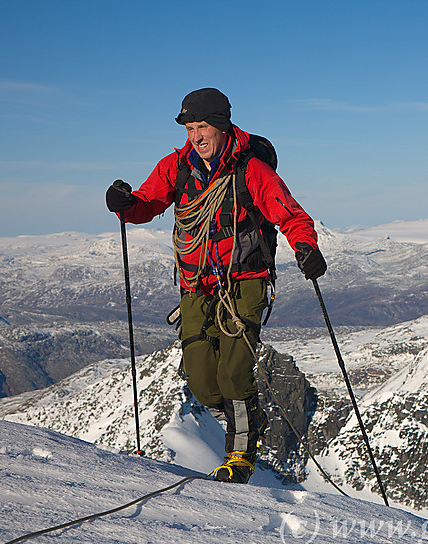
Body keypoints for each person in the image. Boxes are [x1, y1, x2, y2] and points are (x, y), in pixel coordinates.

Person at [105, 87, 326, 483]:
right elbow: (147, 204)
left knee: (234, 371)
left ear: (222, 126)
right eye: (190, 127)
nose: (195, 136)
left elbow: (290, 214)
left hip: (245, 282)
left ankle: (240, 453)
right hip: (196, 284)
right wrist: (125, 205)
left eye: (202, 126)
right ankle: (242, 416)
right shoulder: (177, 167)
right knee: (203, 380)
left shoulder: (251, 170)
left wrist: (306, 247)